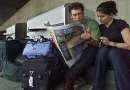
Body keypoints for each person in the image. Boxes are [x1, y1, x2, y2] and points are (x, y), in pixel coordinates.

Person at [92, 1, 130, 90]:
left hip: (124, 54)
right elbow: (97, 44)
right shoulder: (100, 28)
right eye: (98, 16)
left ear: (111, 14)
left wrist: (110, 43)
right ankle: (97, 87)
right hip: (107, 56)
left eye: (102, 16)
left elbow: (129, 45)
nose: (99, 19)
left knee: (113, 52)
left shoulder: (121, 24)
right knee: (102, 51)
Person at [64, 2, 101, 90]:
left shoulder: (92, 23)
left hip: (90, 50)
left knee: (91, 49)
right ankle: (73, 78)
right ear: (71, 16)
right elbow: (68, 45)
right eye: (75, 15)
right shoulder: (70, 26)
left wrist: (89, 39)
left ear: (83, 13)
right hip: (76, 51)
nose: (77, 17)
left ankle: (70, 77)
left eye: (79, 14)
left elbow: (98, 44)